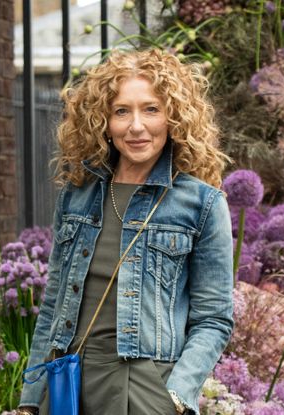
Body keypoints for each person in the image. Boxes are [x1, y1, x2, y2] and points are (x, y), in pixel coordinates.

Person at [17, 48, 234, 415]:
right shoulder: (77, 195)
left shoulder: (203, 204)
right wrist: (30, 398)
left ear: (174, 117)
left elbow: (213, 318)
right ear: (103, 121)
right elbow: (53, 304)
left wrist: (177, 395)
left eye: (151, 109)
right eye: (122, 111)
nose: (136, 126)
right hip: (70, 384)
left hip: (147, 388)